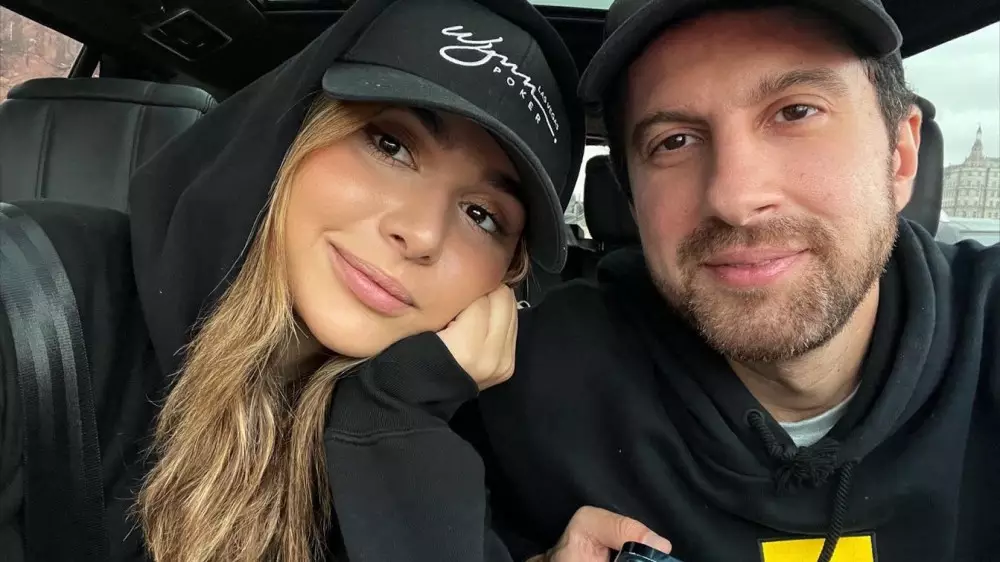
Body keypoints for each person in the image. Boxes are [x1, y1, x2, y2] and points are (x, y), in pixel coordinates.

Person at [0, 0, 619, 560]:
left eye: (482, 215)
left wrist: (400, 420)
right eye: (391, 145)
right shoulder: (33, 301)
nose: (421, 233)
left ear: (504, 282)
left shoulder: (462, 434)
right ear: (294, 128)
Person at [473, 1, 1000, 561]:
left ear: (900, 155)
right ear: (633, 203)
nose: (734, 199)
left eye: (796, 111)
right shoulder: (522, 387)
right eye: (674, 141)